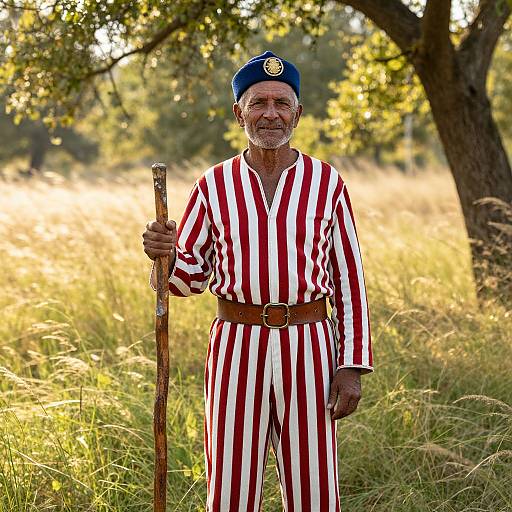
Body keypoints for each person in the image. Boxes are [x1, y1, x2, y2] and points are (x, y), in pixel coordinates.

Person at [142, 50, 373, 512]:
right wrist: (163, 255)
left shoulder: (326, 182)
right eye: (258, 103)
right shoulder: (214, 184)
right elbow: (188, 280)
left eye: (282, 103)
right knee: (231, 487)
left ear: (298, 113)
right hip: (235, 346)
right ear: (238, 112)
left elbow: (349, 278)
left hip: (309, 345)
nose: (271, 114)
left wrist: (350, 366)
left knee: (314, 491)